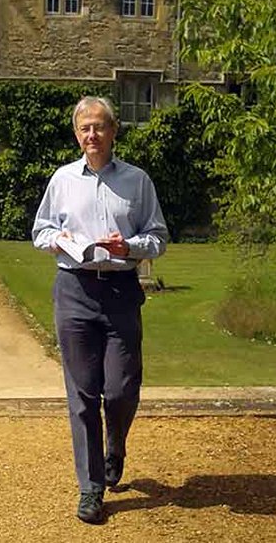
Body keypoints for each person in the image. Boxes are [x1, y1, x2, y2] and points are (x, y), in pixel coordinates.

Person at [32, 95, 168, 524]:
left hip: (121, 291)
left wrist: (129, 246)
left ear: (113, 132)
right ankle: (91, 489)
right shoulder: (62, 179)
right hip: (74, 290)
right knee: (83, 396)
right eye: (85, 128)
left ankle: (116, 446)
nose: (92, 134)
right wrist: (59, 240)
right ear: (77, 134)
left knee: (121, 390)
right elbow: (41, 230)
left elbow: (159, 236)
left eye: (100, 127)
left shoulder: (137, 181)